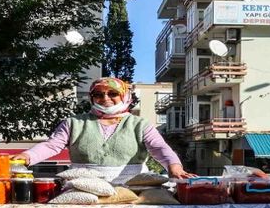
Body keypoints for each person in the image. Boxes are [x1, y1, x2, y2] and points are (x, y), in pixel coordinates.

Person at [15, 77, 196, 184]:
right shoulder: (73, 123)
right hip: (82, 187)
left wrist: (175, 167)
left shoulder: (140, 124)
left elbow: (159, 148)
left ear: (124, 96)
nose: (105, 98)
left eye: (113, 94)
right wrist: (25, 157)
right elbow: (51, 146)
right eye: (98, 94)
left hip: (132, 187)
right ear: (92, 98)